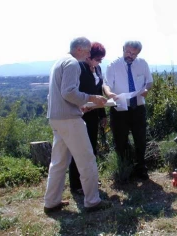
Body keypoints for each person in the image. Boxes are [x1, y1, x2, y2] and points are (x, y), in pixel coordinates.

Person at [44, 37, 112, 213]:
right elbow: (68, 92)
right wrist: (91, 98)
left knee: (58, 162)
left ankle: (51, 202)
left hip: (56, 117)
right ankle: (93, 201)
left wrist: (82, 102)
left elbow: (60, 93)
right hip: (69, 119)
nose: (90, 54)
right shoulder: (73, 64)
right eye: (88, 51)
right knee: (87, 160)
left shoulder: (59, 62)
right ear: (80, 49)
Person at [103, 41, 153, 180]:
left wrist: (147, 89)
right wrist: (109, 94)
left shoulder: (142, 64)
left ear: (138, 53)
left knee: (140, 139)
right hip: (119, 108)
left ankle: (141, 168)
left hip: (138, 107)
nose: (130, 56)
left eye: (134, 54)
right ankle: (125, 169)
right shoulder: (113, 65)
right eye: (128, 52)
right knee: (120, 141)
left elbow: (149, 81)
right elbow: (106, 84)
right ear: (123, 49)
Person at [69, 42, 107, 195]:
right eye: (98, 59)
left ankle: (90, 178)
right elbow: (74, 91)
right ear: (89, 56)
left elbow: (99, 91)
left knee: (91, 148)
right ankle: (76, 183)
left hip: (93, 113)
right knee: (77, 149)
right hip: (80, 113)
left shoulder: (97, 69)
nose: (100, 62)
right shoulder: (78, 68)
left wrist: (102, 114)